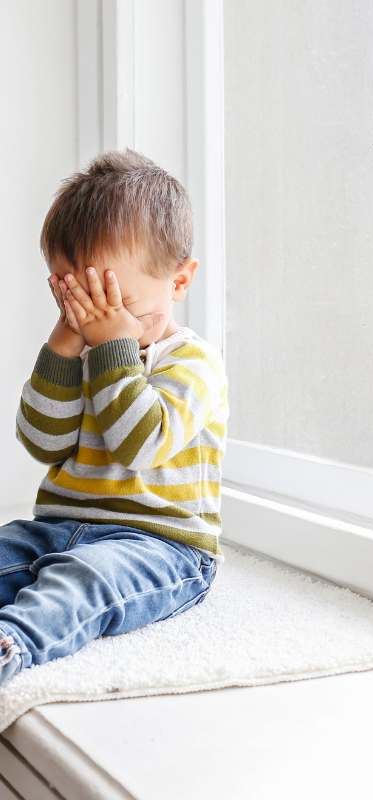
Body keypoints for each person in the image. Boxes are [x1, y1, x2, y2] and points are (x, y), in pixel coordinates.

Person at [0, 149, 228, 686]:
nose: (97, 319)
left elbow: (141, 444)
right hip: (56, 526)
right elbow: (42, 442)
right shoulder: (81, 349)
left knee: (84, 581)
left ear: (179, 281)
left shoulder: (195, 363)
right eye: (77, 300)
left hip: (159, 546)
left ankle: (13, 643)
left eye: (117, 301)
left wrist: (110, 350)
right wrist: (63, 342)